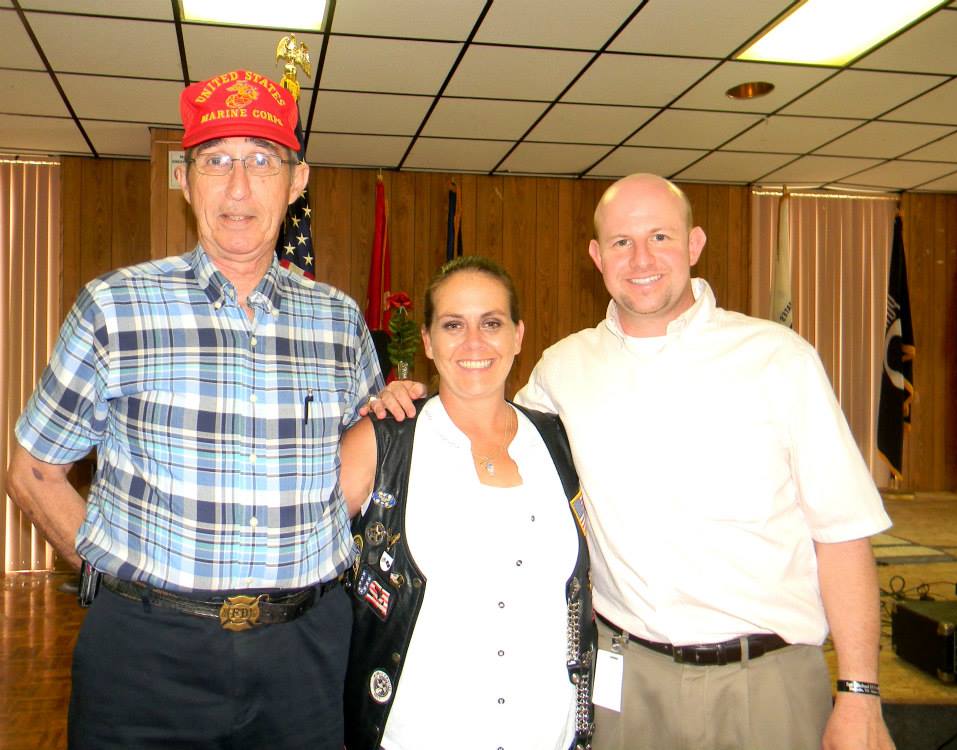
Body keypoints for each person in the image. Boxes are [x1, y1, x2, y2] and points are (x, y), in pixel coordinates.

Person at [370, 174, 895, 750]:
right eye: (621, 242)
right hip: (626, 680)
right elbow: (483, 424)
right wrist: (403, 402)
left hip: (765, 678)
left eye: (660, 237)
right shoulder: (563, 370)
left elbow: (842, 534)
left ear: (694, 245)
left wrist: (860, 691)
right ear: (597, 257)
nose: (641, 258)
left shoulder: (779, 360)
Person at [7, 68, 383, 749]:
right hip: (146, 658)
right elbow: (33, 469)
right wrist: (103, 575)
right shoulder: (113, 308)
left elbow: (359, 454)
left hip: (304, 653)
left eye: (263, 161)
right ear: (183, 177)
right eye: (217, 161)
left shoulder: (340, 322)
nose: (239, 187)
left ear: (298, 182)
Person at [339, 256, 595, 750]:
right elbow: (304, 563)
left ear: (518, 336)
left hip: (547, 735)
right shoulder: (383, 442)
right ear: (429, 342)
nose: (474, 342)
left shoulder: (557, 440)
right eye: (454, 324)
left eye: (492, 323)